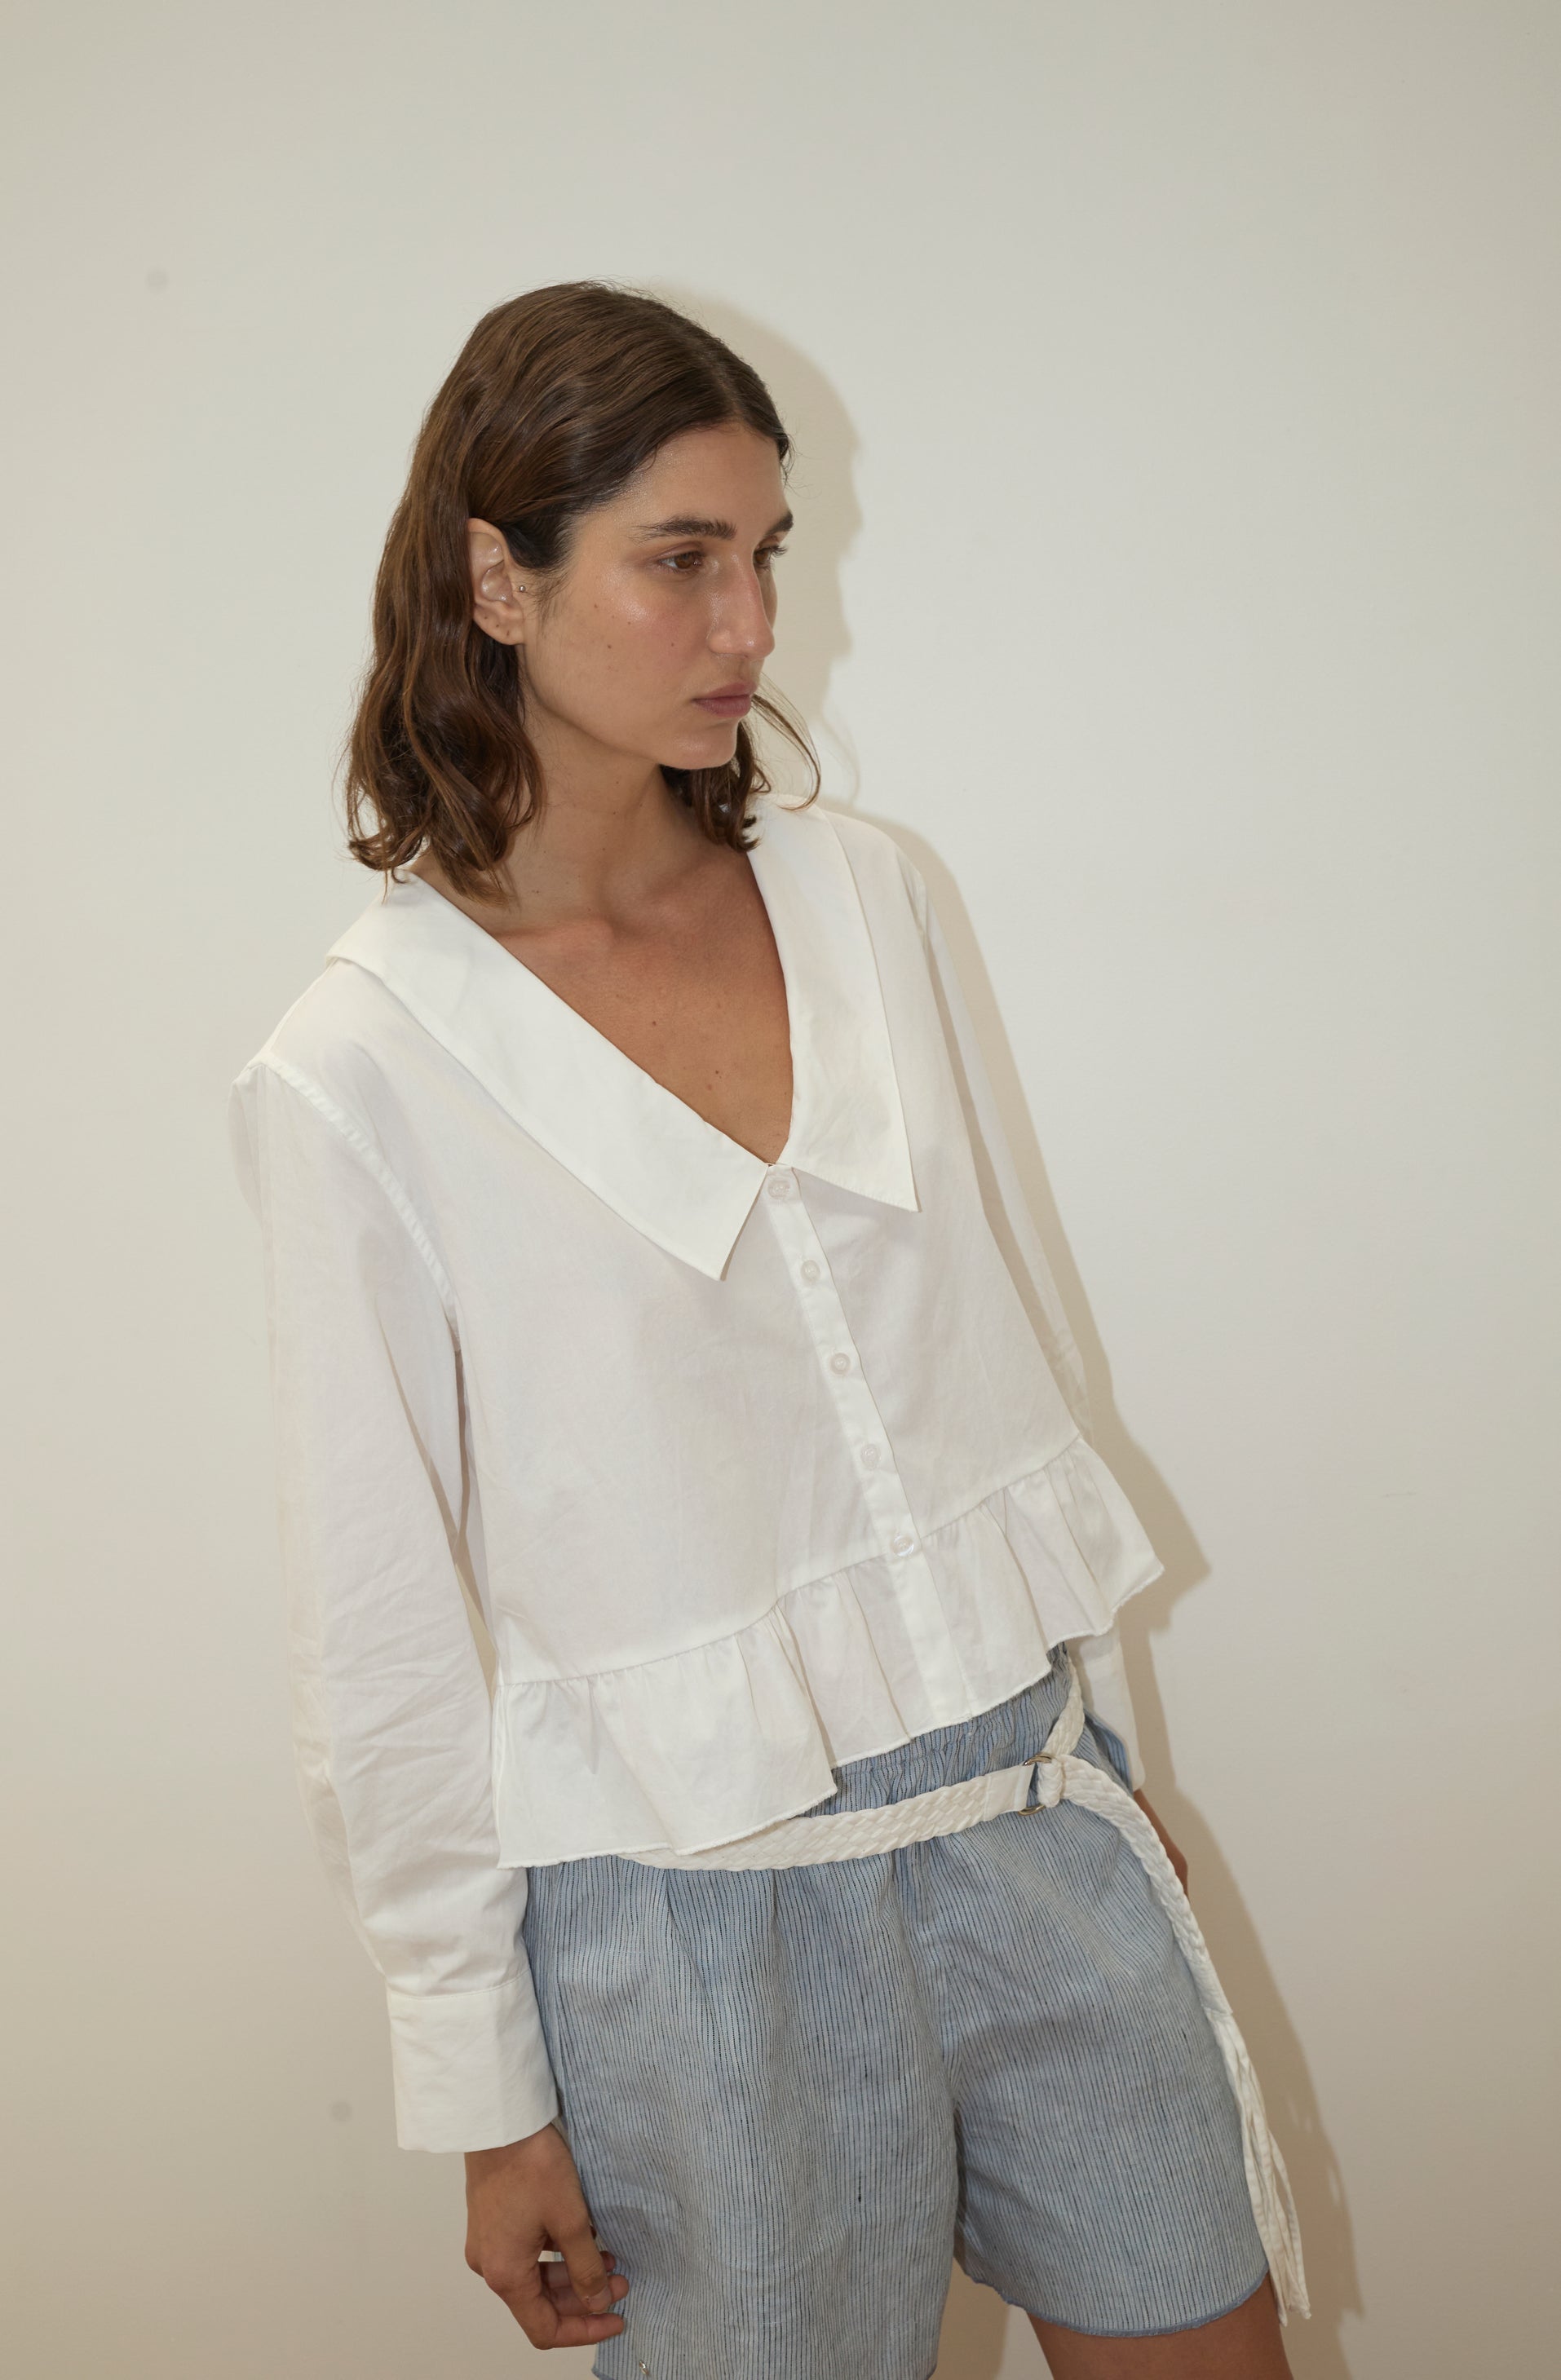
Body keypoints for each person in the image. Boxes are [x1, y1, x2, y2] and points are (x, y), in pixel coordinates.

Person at [228, 280, 1307, 2380]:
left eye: (767, 559)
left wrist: (1099, 1755)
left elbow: (995, 1363)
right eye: (680, 561)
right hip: (687, 1923)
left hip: (1032, 1820)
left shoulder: (863, 894)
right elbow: (376, 1635)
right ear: (496, 579)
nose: (748, 629)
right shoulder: (358, 1069)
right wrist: (483, 2088)